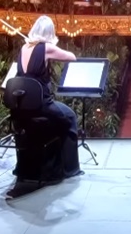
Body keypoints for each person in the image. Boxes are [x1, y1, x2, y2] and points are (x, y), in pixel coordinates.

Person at [10, 15, 82, 181]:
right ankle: (69, 168)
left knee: (58, 118)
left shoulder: (24, 47)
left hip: (21, 107)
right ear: (50, 33)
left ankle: (36, 166)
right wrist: (52, 47)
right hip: (40, 105)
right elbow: (72, 57)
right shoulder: (47, 48)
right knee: (70, 117)